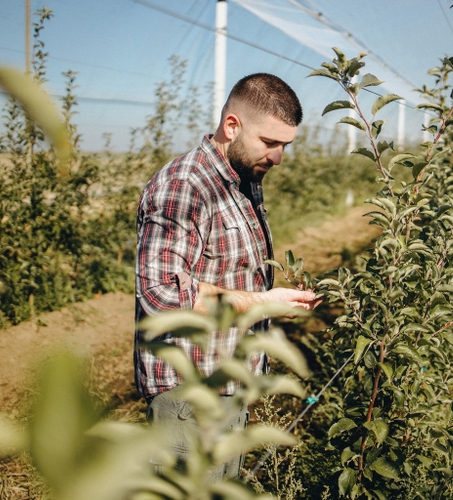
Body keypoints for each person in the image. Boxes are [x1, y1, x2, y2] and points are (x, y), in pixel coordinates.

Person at [134, 73, 319, 479]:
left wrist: (276, 298)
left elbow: (232, 278)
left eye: (285, 146)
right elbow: (161, 293)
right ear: (231, 126)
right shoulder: (185, 186)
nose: (278, 158)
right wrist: (264, 302)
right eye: (269, 143)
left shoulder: (240, 182)